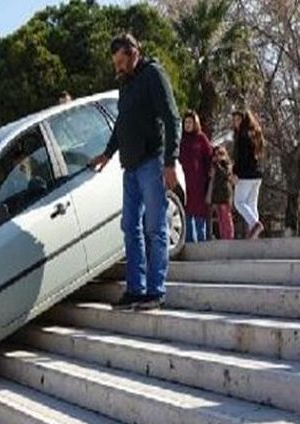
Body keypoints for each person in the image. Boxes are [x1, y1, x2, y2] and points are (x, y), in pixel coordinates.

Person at [90, 33, 181, 311]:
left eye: (121, 61)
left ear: (133, 53)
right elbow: (122, 124)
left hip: (152, 163)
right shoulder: (126, 85)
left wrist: (170, 161)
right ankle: (136, 289)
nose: (117, 67)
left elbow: (171, 116)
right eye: (114, 63)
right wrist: (107, 153)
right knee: (130, 227)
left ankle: (156, 291)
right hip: (129, 168)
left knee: (155, 228)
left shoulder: (153, 74)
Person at [179, 110, 212, 243]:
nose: (187, 125)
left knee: (199, 214)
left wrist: (208, 175)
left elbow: (209, 156)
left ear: (195, 123)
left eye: (190, 122)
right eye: (185, 122)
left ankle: (201, 243)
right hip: (184, 181)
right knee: (186, 213)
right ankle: (189, 242)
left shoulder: (201, 138)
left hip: (199, 182)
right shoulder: (181, 140)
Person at [231, 109, 265, 239]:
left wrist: (235, 173)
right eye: (234, 120)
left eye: (238, 119)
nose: (235, 122)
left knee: (239, 202)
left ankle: (254, 224)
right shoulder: (255, 134)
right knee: (251, 204)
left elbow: (242, 158)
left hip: (246, 175)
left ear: (244, 120)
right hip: (257, 175)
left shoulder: (242, 136)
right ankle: (254, 233)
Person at [209, 145, 235, 239]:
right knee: (220, 218)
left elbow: (225, 175)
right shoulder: (213, 166)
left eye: (220, 154)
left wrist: (217, 165)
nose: (217, 157)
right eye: (215, 155)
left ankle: (229, 236)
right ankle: (223, 236)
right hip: (217, 195)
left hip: (224, 194)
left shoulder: (226, 164)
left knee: (226, 217)